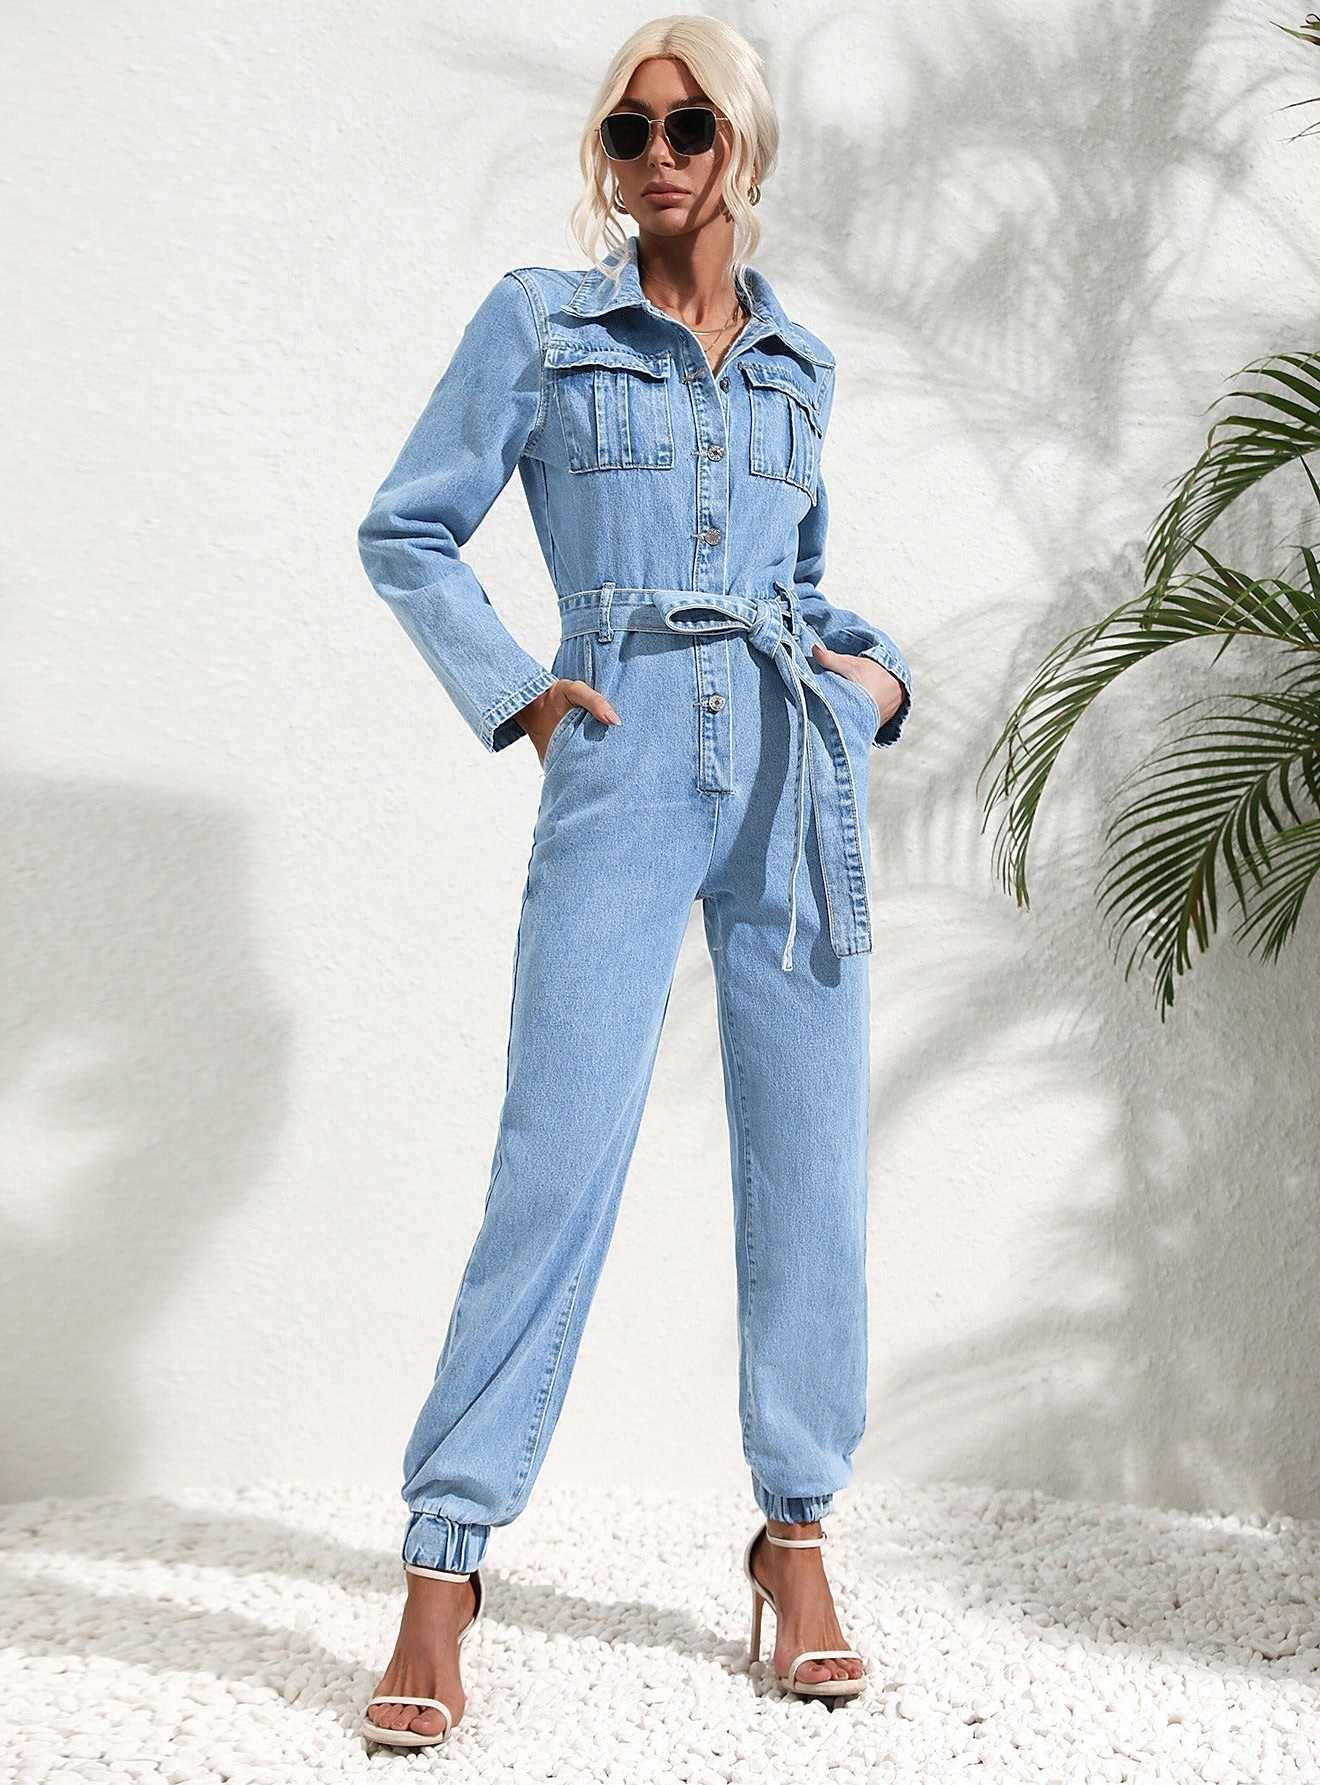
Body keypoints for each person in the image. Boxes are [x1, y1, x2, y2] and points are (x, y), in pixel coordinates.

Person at [354, 14, 913, 1750]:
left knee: (810, 1164)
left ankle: (796, 1540)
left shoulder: (800, 366)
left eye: (687, 127)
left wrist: (874, 683)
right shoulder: (543, 323)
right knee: (557, 1157)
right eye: (627, 131)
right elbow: (406, 527)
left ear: (742, 146)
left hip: (792, 769)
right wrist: (521, 691)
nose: (655, 157)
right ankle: (444, 1564)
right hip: (618, 752)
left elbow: (797, 586)